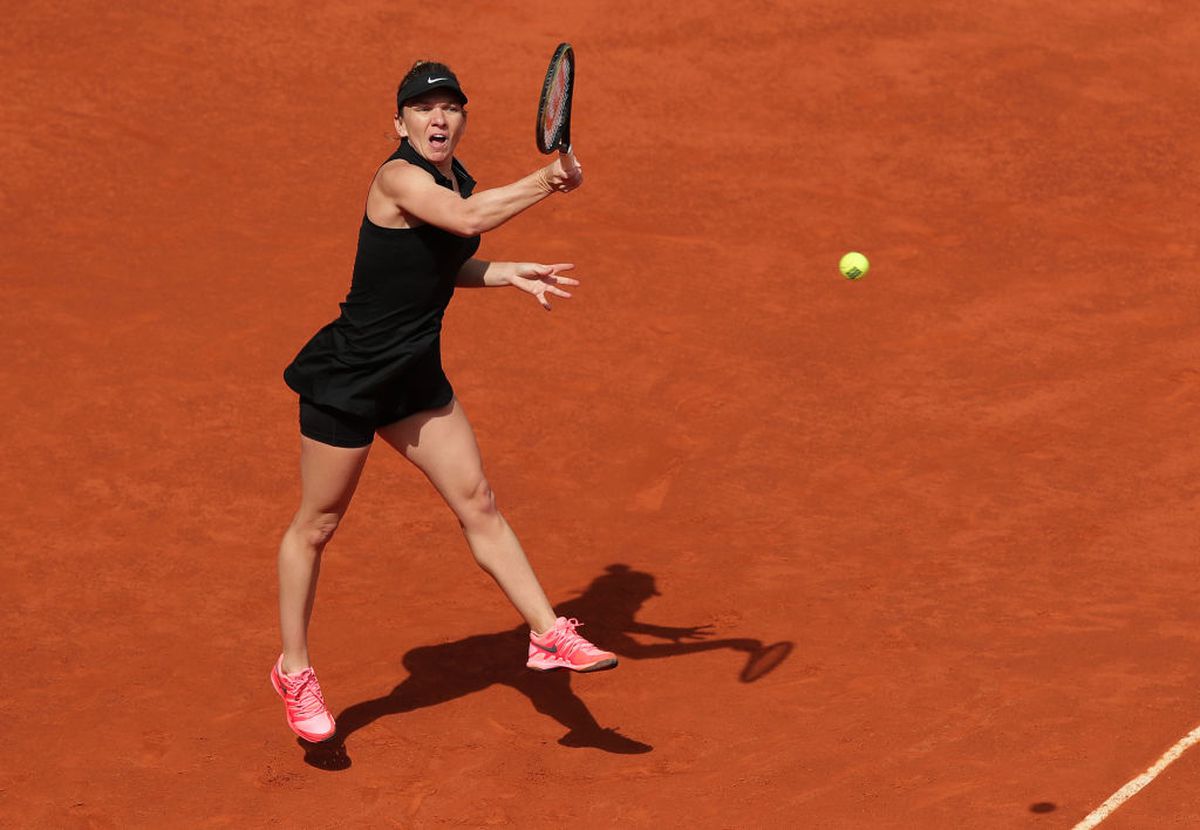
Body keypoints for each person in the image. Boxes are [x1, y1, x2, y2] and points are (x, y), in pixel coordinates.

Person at [270, 60, 616, 743]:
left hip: (413, 378)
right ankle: (295, 670)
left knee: (478, 502)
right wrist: (549, 179)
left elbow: (434, 258)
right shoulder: (397, 177)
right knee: (317, 525)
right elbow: (462, 219)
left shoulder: (454, 176)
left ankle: (547, 634)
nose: (439, 118)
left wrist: (501, 272)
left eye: (451, 108)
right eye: (424, 109)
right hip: (351, 377)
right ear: (399, 123)